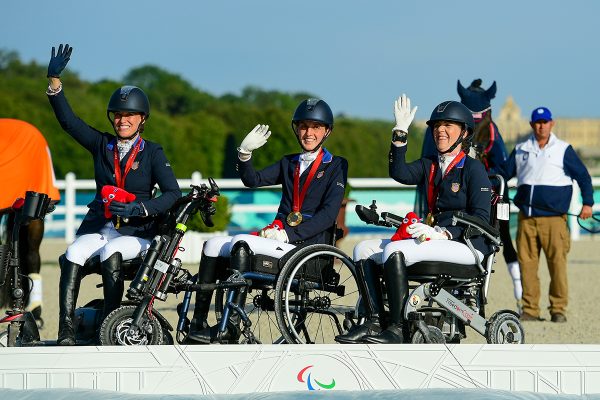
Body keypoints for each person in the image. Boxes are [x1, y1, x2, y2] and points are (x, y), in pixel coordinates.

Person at [45, 44, 181, 345]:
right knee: (73, 253)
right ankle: (65, 329)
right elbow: (69, 122)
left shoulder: (153, 153)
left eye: (130, 115)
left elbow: (173, 193)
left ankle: (108, 323)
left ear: (142, 119)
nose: (123, 120)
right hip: (101, 227)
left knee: (111, 253)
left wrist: (141, 209)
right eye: (118, 115)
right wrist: (54, 83)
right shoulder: (101, 144)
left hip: (137, 232)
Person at [187, 98, 348, 343]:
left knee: (242, 243)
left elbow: (328, 215)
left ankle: (230, 327)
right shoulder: (288, 162)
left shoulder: (336, 165)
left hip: (308, 248)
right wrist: (244, 154)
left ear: (327, 131)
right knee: (212, 246)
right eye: (304, 126)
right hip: (281, 241)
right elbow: (253, 180)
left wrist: (288, 235)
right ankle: (198, 323)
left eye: (315, 127)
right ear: (297, 129)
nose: (308, 133)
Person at [335, 95, 492, 344]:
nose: (440, 131)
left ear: (464, 133)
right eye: (437, 126)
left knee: (396, 250)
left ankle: (398, 329)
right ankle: (375, 322)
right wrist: (400, 133)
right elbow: (399, 172)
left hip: (467, 245)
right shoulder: (430, 165)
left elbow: (482, 218)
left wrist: (445, 233)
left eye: (447, 126)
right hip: (434, 239)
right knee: (362, 249)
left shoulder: (474, 170)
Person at [419, 79, 522, 312]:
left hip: (482, 196)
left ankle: (518, 290)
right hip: (450, 198)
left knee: (501, 235)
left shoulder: (491, 132)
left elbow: (502, 168)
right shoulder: (481, 128)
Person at [500, 106, 594, 323]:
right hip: (527, 219)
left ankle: (558, 308)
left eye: (545, 122)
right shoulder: (522, 149)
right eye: (538, 122)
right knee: (527, 266)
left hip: (554, 220)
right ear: (532, 125)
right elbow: (504, 174)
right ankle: (530, 310)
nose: (541, 126)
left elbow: (584, 177)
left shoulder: (563, 149)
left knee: (557, 265)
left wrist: (587, 204)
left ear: (551, 124)